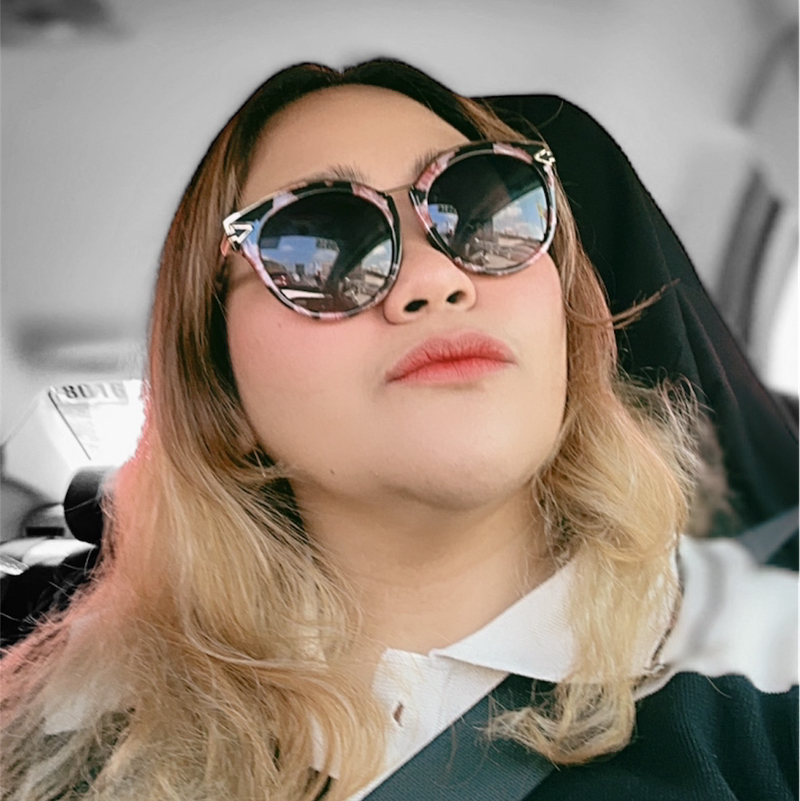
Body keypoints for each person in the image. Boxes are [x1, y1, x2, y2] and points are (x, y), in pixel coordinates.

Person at [1, 58, 796, 801]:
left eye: (489, 210)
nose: (435, 278)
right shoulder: (66, 736)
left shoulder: (769, 677)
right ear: (221, 392)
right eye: (320, 246)